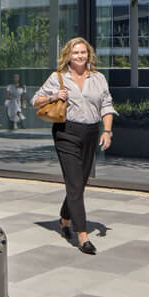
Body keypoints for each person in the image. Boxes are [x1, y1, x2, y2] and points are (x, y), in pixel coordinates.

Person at [32, 37, 115, 255]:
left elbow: (106, 105)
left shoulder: (98, 78)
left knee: (80, 183)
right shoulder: (58, 77)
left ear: (89, 55)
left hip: (91, 133)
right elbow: (35, 101)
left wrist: (107, 131)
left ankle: (64, 219)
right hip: (66, 133)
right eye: (75, 52)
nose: (79, 56)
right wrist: (54, 95)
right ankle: (82, 236)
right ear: (68, 55)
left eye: (83, 52)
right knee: (75, 183)